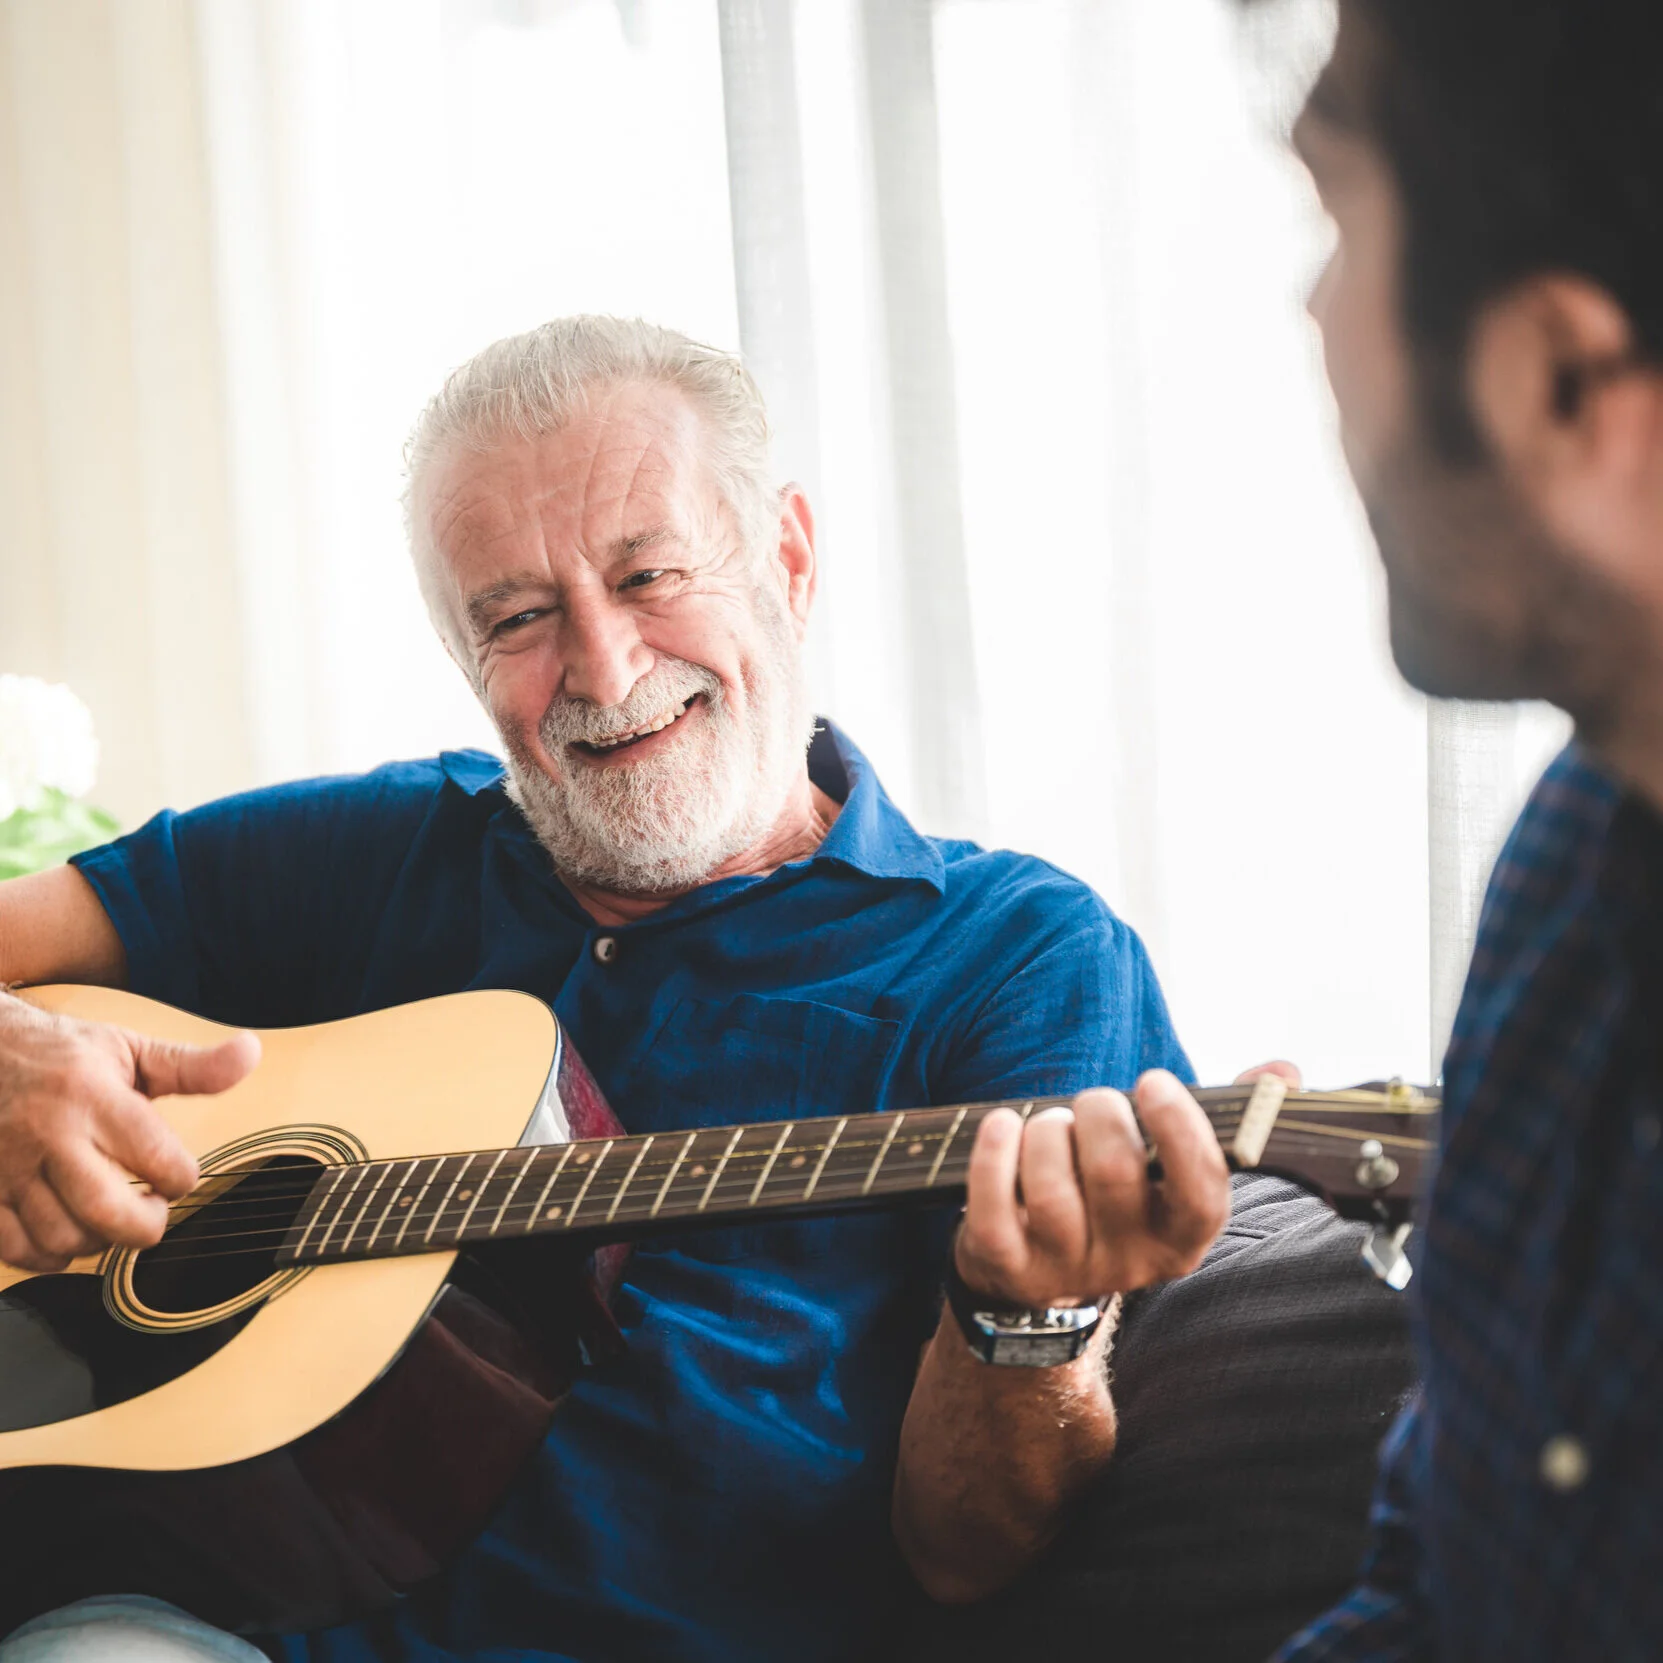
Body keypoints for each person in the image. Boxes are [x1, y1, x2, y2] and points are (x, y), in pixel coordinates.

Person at [0, 317, 1263, 1663]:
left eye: (648, 574)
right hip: (175, 1608)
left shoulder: (1016, 951)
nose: (603, 668)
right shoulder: (380, 850)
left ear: (785, 554)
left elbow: (965, 1555)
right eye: (520, 617)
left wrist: (1026, 1317)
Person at [1258, 0, 1663, 1656]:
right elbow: (1439, 1588)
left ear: (1560, 376)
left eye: (1340, 222)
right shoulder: (1575, 864)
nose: (1312, 310)